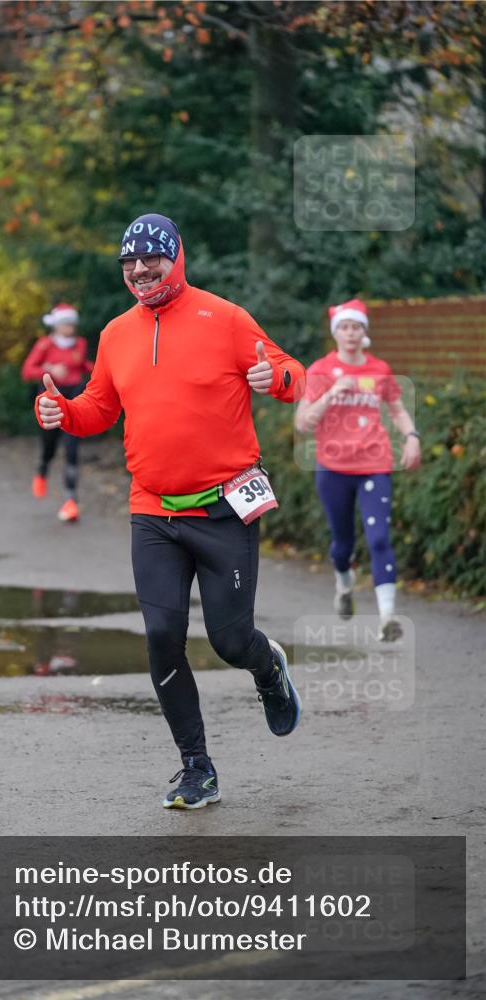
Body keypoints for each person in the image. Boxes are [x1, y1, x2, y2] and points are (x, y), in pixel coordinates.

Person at [35, 213, 305, 810]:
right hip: (152, 511)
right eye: (129, 262)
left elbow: (294, 373)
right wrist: (62, 413)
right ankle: (195, 767)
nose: (139, 270)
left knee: (231, 641)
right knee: (161, 636)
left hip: (224, 508)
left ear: (175, 257)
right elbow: (99, 408)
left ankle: (269, 670)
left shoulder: (225, 318)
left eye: (150, 259)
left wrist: (274, 376)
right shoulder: (114, 334)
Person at [294, 298, 421, 641]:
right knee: (342, 545)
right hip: (333, 467)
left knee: (379, 538)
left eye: (357, 327)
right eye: (345, 327)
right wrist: (332, 392)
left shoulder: (379, 369)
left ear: (364, 332)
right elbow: (303, 423)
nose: (351, 333)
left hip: (374, 464)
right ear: (337, 333)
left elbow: (397, 409)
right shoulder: (321, 369)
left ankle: (387, 618)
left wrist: (411, 437)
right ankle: (344, 584)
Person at [22, 303, 93, 522]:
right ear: (56, 326)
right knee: (49, 446)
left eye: (73, 324)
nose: (71, 328)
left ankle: (71, 500)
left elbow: (84, 366)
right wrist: (50, 369)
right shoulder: (44, 345)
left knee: (72, 450)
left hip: (73, 401)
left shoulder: (80, 344)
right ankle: (42, 469)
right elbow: (27, 371)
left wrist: (104, 373)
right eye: (66, 324)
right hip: (51, 403)